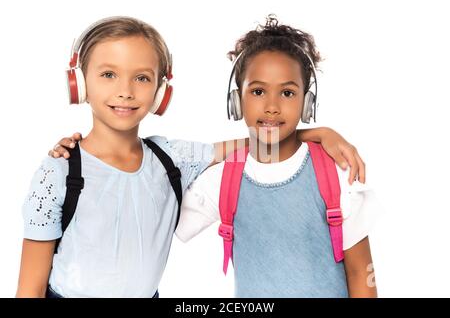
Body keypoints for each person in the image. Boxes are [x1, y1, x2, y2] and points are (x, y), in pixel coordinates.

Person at [18, 16, 365, 298]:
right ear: (79, 82)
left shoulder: (171, 159)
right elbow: (29, 288)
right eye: (108, 74)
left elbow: (258, 142)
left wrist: (315, 133)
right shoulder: (59, 170)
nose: (125, 90)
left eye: (142, 78)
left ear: (160, 92)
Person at [175, 15, 379, 297]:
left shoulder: (335, 171)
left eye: (287, 92)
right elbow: (160, 209)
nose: (271, 106)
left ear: (307, 104)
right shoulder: (223, 178)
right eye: (258, 91)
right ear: (236, 101)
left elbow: (360, 273)